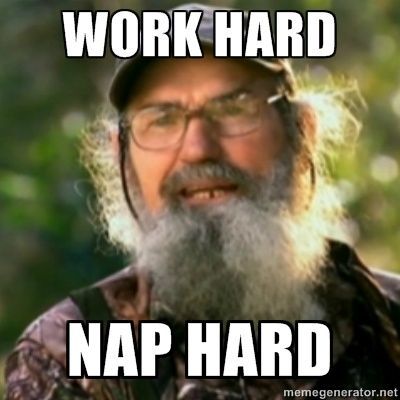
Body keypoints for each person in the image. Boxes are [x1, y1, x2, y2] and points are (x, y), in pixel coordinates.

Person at [5, 3, 400, 400]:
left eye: (233, 109)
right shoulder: (66, 356)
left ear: (302, 133)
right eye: (162, 119)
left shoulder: (387, 323)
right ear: (123, 158)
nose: (198, 149)